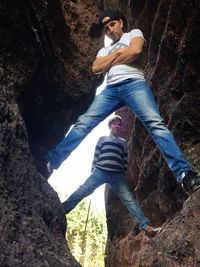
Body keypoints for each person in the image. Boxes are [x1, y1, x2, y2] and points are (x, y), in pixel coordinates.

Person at [37, 9, 200, 195]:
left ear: (121, 22)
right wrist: (119, 54)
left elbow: (136, 50)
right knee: (84, 123)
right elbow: (96, 68)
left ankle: (185, 175)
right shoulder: (103, 50)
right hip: (110, 90)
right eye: (106, 28)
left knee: (156, 125)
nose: (110, 30)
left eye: (112, 24)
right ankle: (51, 163)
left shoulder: (134, 33)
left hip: (135, 84)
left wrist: (110, 61)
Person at [62, 115, 162, 237]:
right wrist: (93, 170)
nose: (117, 125)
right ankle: (61, 210)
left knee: (130, 200)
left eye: (119, 124)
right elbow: (96, 156)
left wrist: (122, 173)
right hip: (99, 171)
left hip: (117, 175)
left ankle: (146, 228)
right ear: (110, 125)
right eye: (115, 123)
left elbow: (125, 160)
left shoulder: (123, 142)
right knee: (82, 190)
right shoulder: (102, 139)